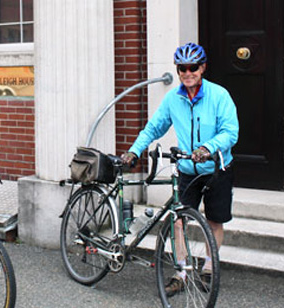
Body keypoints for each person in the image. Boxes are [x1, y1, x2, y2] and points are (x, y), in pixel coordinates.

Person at [121, 42, 239, 296]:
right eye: (182, 68)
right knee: (178, 221)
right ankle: (182, 272)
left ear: (203, 67)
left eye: (193, 67)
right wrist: (134, 150)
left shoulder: (220, 96)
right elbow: (153, 128)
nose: (187, 73)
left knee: (214, 221)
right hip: (188, 170)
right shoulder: (173, 99)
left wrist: (207, 148)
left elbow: (231, 132)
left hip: (217, 167)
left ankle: (209, 267)